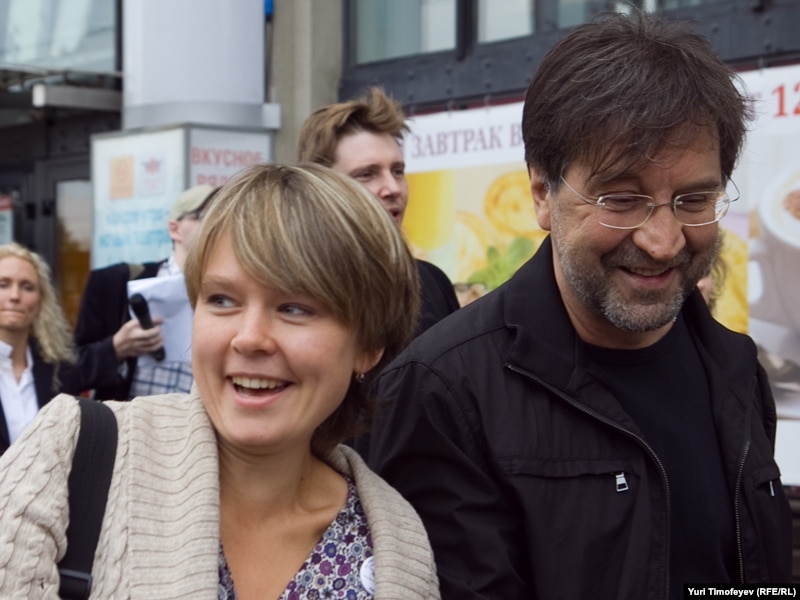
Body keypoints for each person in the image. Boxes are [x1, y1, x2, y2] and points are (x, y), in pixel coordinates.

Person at [364, 9, 792, 599]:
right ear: (542, 193)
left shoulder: (737, 369)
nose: (663, 241)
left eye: (694, 200)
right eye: (621, 200)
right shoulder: (443, 392)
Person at [0, 163, 439, 598]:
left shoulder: (397, 546)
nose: (249, 338)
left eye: (295, 308)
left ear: (369, 345)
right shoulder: (72, 454)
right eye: (222, 300)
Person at [297, 86, 461, 336]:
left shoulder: (432, 283)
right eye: (367, 174)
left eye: (397, 171)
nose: (393, 188)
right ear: (320, 187)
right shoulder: (294, 286)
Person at [71, 184, 217, 399]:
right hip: (125, 417)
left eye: (223, 218)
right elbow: (69, 370)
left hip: (197, 419)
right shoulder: (115, 283)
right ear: (175, 229)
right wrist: (115, 348)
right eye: (206, 216)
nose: (217, 225)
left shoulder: (232, 296)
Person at [0, 243, 76, 456]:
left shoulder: (57, 371)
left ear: (41, 301)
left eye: (27, 287)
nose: (15, 296)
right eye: (3, 284)